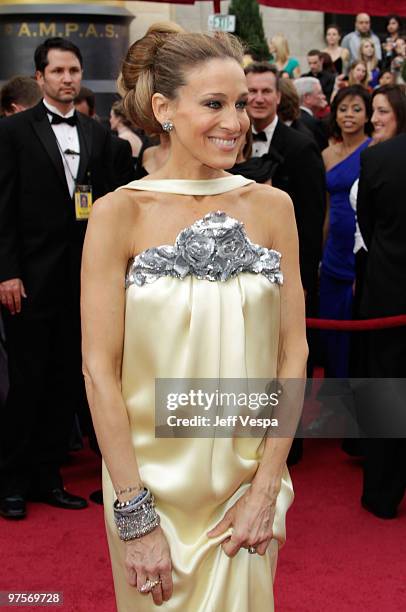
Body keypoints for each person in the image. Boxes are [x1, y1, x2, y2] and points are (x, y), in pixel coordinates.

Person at [81, 26, 307, 611]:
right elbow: (99, 370)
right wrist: (133, 513)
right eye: (213, 104)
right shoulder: (118, 214)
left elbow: (293, 355)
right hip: (148, 489)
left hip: (246, 486)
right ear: (164, 108)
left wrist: (264, 490)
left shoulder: (273, 207)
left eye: (240, 104)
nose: (236, 122)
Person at [0, 37, 114, 520]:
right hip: (28, 281)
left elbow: (103, 207)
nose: (68, 78)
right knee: (27, 383)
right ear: (41, 76)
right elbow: (2, 207)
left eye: (74, 70)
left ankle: (49, 476)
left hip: (80, 283)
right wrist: (6, 272)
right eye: (58, 71)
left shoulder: (97, 133)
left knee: (65, 383)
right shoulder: (13, 132)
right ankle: (11, 481)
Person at [355, 89, 406, 520]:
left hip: (388, 292)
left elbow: (367, 229)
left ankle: (382, 493)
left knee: (387, 390)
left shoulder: (376, 159)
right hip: (388, 295)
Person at [246, 62, 326, 301]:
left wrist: (303, 280)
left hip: (284, 271)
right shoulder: (228, 142)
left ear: (279, 97)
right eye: (252, 91)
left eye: (266, 91)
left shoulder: (302, 146)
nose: (259, 99)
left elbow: (312, 221)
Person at [319, 85, 371, 378]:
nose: (349, 115)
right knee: (329, 329)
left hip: (360, 250)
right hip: (333, 253)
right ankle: (332, 398)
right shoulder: (327, 154)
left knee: (357, 332)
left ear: (367, 115)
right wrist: (320, 255)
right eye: (343, 109)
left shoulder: (374, 149)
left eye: (356, 109)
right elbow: (326, 210)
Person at [294, 77, 329, 151]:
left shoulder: (293, 118)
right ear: (307, 98)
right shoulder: (314, 124)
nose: (324, 96)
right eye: (320, 93)